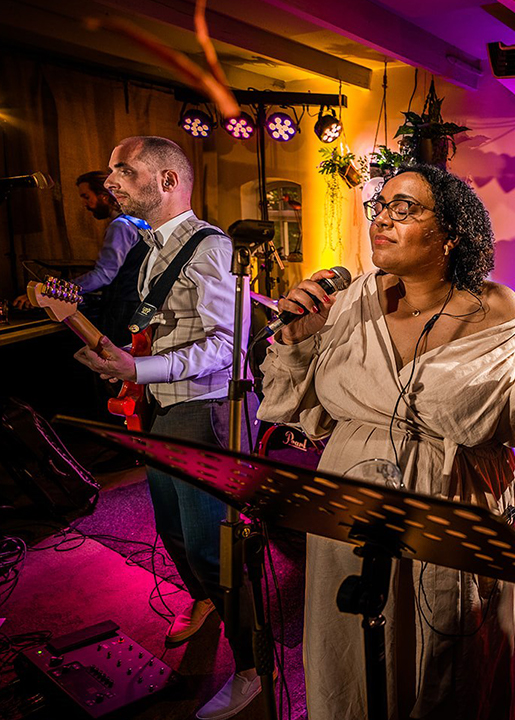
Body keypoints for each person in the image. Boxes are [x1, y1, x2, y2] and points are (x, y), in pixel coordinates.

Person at [257, 162, 515, 720]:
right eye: (380, 206)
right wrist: (295, 340)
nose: (382, 219)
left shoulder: (500, 311)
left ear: (451, 234)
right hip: (350, 509)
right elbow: (297, 412)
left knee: (450, 669)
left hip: (451, 512)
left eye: (404, 208)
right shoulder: (352, 300)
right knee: (354, 656)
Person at [73, 136, 259, 720]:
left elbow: (228, 344)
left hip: (204, 410)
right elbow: (162, 329)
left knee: (212, 546)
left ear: (169, 181)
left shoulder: (211, 247)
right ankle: (205, 602)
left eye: (124, 171)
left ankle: (255, 667)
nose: (111, 182)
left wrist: (141, 369)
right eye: (112, 171)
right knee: (174, 531)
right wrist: (124, 362)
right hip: (160, 406)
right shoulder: (150, 245)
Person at [14, 171, 148, 346]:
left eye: (86, 197)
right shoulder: (141, 222)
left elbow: (103, 275)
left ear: (104, 195)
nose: (85, 204)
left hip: (122, 309)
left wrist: (51, 291)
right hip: (140, 305)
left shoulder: (120, 226)